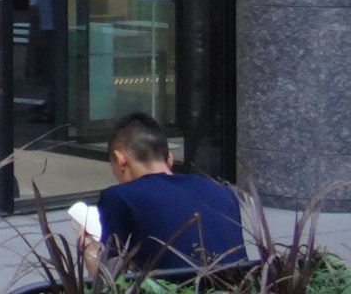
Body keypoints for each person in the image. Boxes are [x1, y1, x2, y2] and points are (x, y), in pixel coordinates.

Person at [85, 112, 245, 274]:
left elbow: (107, 280)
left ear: (121, 160)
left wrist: (89, 249)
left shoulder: (119, 197)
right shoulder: (223, 192)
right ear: (169, 159)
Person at [29, 0, 58, 121]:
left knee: (54, 64)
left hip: (56, 23)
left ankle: (52, 104)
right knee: (46, 64)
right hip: (43, 20)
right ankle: (50, 101)